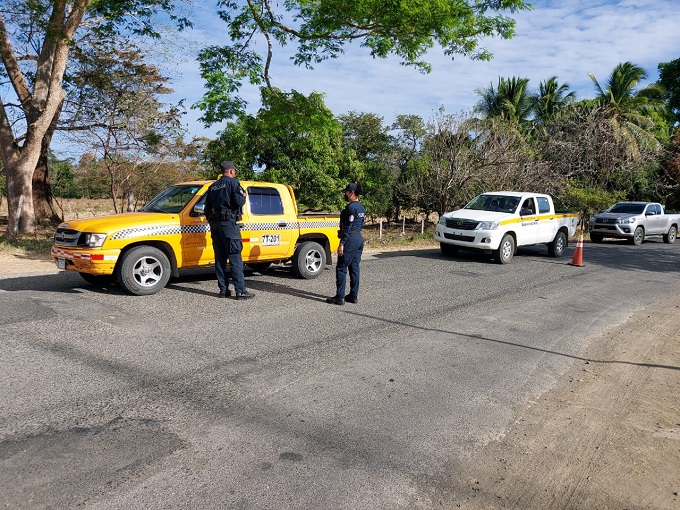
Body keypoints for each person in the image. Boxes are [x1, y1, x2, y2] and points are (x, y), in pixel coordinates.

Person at [204, 161, 254, 300]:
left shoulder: (212, 186)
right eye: (235, 171)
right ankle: (240, 291)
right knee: (235, 257)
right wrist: (243, 196)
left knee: (219, 259)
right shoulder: (233, 183)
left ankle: (223, 290)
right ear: (231, 171)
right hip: (229, 224)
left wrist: (213, 220)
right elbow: (238, 202)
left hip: (215, 225)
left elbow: (206, 209)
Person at [326, 183, 366, 305]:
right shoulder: (361, 208)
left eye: (346, 192)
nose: (345, 194)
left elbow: (348, 227)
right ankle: (353, 296)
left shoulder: (350, 208)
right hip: (359, 238)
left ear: (352, 193)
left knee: (341, 268)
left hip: (350, 239)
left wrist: (342, 243)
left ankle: (340, 297)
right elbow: (361, 224)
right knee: (354, 268)